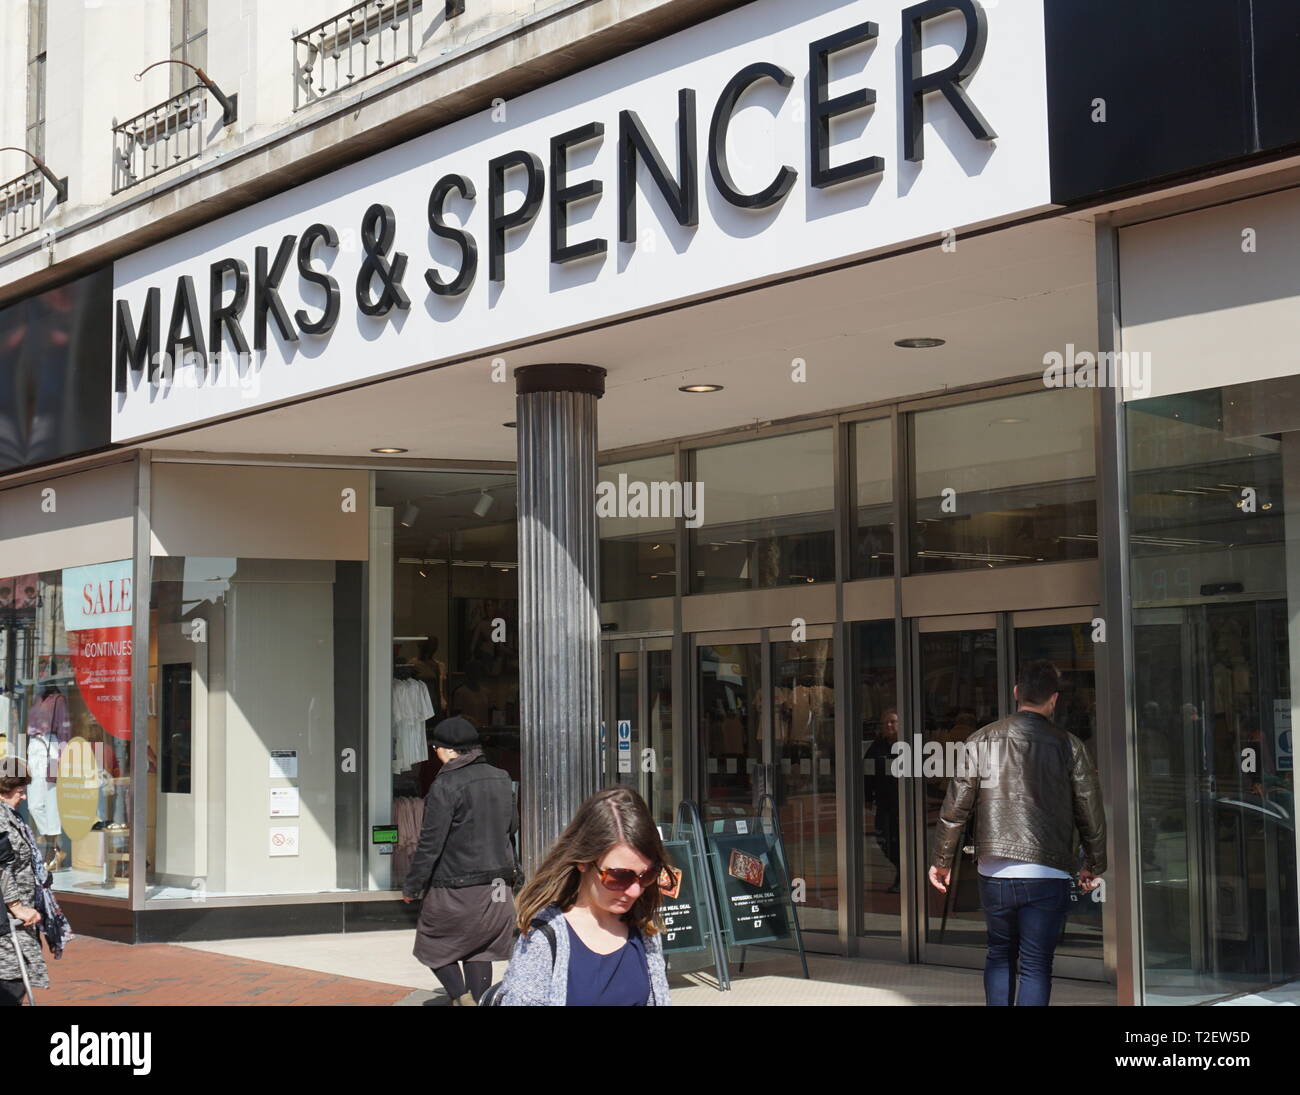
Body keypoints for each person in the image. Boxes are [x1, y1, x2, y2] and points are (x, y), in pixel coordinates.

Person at [928, 660, 1105, 1007]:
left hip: (994, 868)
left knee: (998, 954)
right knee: (1037, 965)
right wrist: (1094, 863)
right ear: (1053, 700)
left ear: (1016, 694)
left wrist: (942, 860)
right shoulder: (1069, 745)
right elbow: (1089, 810)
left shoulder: (981, 739)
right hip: (1048, 869)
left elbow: (955, 807)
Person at [498, 786, 672, 1006]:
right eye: (619, 876)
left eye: (647, 876)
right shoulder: (543, 937)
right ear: (584, 862)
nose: (635, 891)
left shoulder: (644, 928)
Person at [402, 716, 518, 1006]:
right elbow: (512, 826)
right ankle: (479, 1001)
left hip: (456, 885)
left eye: (436, 748)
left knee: (432, 943)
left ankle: (461, 997)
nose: (435, 753)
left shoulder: (446, 784)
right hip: (499, 884)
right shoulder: (502, 778)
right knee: (482, 947)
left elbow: (431, 842)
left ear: (449, 750)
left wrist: (412, 885)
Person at [0, 758, 52, 1004]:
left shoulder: (10, 814)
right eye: (20, 792)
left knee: (15, 980)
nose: (24, 797)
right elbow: (1, 868)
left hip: (16, 917)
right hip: (6, 918)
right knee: (10, 982)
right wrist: (16, 906)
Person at [864, 708, 901, 893]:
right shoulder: (877, 746)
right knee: (883, 838)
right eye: (885, 722)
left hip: (904, 802)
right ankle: (903, 870)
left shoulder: (908, 745)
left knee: (900, 839)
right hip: (884, 801)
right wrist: (867, 797)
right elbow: (867, 772)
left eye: (892, 721)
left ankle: (903, 876)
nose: (888, 725)